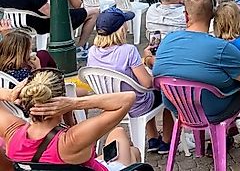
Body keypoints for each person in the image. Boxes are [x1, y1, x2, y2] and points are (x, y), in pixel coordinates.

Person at [151, 0, 240, 161]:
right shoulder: (221, 48)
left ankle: (224, 136)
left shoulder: (167, 41)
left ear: (186, 16)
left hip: (178, 109)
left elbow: (156, 72)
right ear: (211, 17)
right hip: (213, 110)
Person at [0, 68, 141, 169]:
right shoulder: (70, 140)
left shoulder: (12, 133)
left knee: (129, 150)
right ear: (62, 98)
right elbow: (127, 98)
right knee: (122, 137)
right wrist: (74, 103)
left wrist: (10, 94)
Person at [87, 6, 174, 155]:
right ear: (121, 28)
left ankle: (153, 138)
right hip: (134, 105)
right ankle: (166, 142)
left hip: (109, 102)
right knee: (166, 94)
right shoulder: (128, 50)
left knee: (144, 93)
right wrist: (148, 58)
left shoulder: (92, 51)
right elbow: (147, 83)